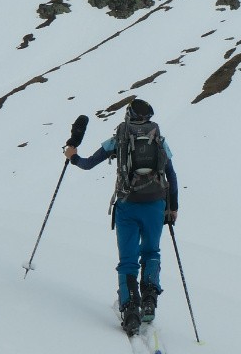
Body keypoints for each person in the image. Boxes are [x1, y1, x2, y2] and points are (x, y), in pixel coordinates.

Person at [63, 98, 179, 335]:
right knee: (151, 252)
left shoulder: (120, 138)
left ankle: (130, 311)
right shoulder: (158, 138)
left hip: (128, 205)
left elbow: (87, 164)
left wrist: (72, 156)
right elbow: (172, 177)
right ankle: (149, 299)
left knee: (127, 261)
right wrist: (172, 207)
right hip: (156, 205)